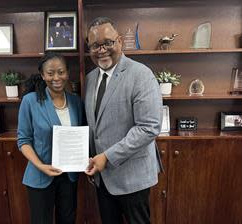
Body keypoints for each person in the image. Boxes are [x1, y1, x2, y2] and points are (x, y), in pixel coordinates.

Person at [84, 17, 163, 224]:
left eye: (107, 43)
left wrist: (106, 157)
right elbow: (96, 127)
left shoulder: (141, 75)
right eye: (95, 45)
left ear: (119, 41)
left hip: (133, 178)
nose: (101, 50)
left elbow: (149, 128)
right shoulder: (91, 78)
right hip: (103, 178)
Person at [17, 52, 85, 224]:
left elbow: (81, 137)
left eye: (61, 72)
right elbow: (23, 140)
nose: (56, 77)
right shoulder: (30, 101)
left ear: (67, 73)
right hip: (40, 176)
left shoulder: (76, 101)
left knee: (68, 220)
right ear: (42, 75)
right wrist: (40, 165)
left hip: (69, 177)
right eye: (50, 73)